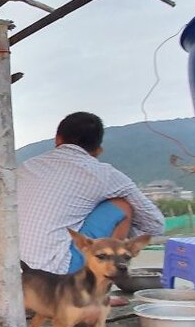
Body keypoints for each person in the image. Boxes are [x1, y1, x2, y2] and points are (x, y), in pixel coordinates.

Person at [16, 112, 164, 275]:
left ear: (57, 138)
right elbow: (155, 225)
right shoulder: (104, 174)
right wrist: (127, 236)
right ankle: (98, 288)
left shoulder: (25, 167)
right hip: (56, 275)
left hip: (15, 271)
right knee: (122, 207)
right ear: (98, 149)